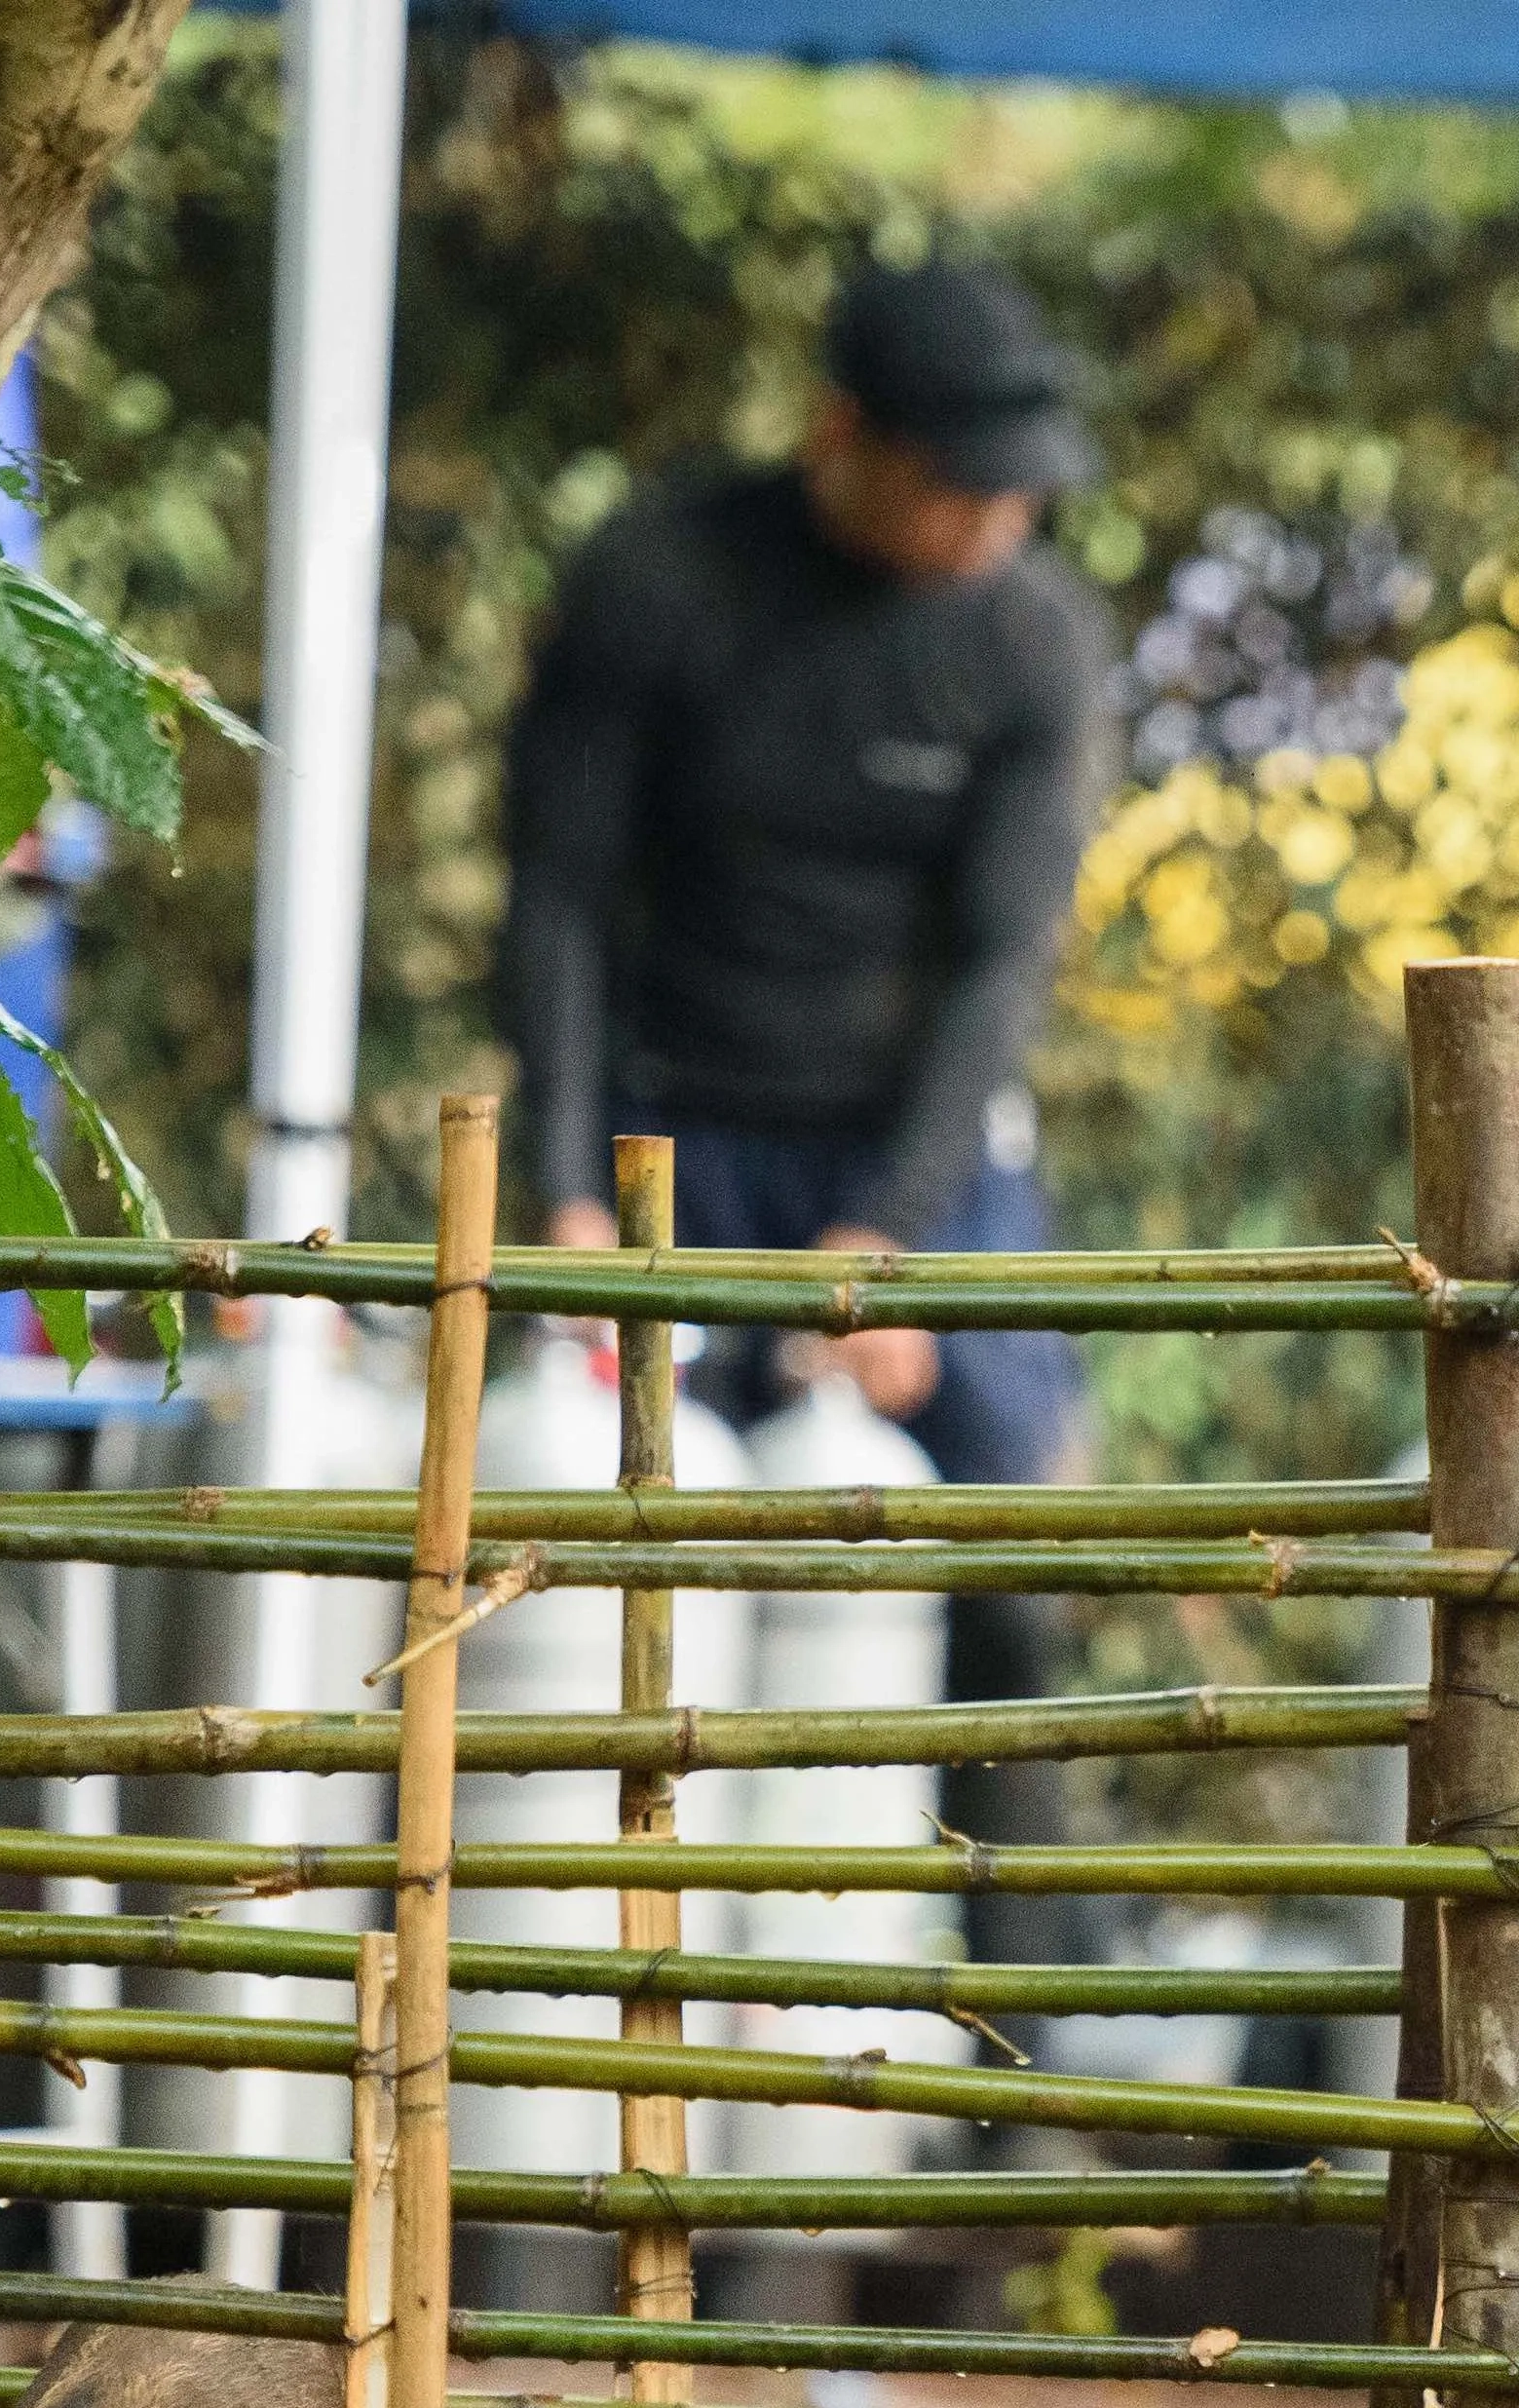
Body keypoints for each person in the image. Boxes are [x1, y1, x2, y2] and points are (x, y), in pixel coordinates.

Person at [498, 252, 1110, 1525]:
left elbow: (1003, 957)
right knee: (648, 1521)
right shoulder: (659, 579)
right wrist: (568, 1190)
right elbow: (559, 894)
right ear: (841, 434)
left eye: (1019, 493)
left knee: (1014, 1529)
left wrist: (888, 1225)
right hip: (674, 1131)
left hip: (916, 1142)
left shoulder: (1031, 640)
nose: (996, 523)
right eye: (959, 486)